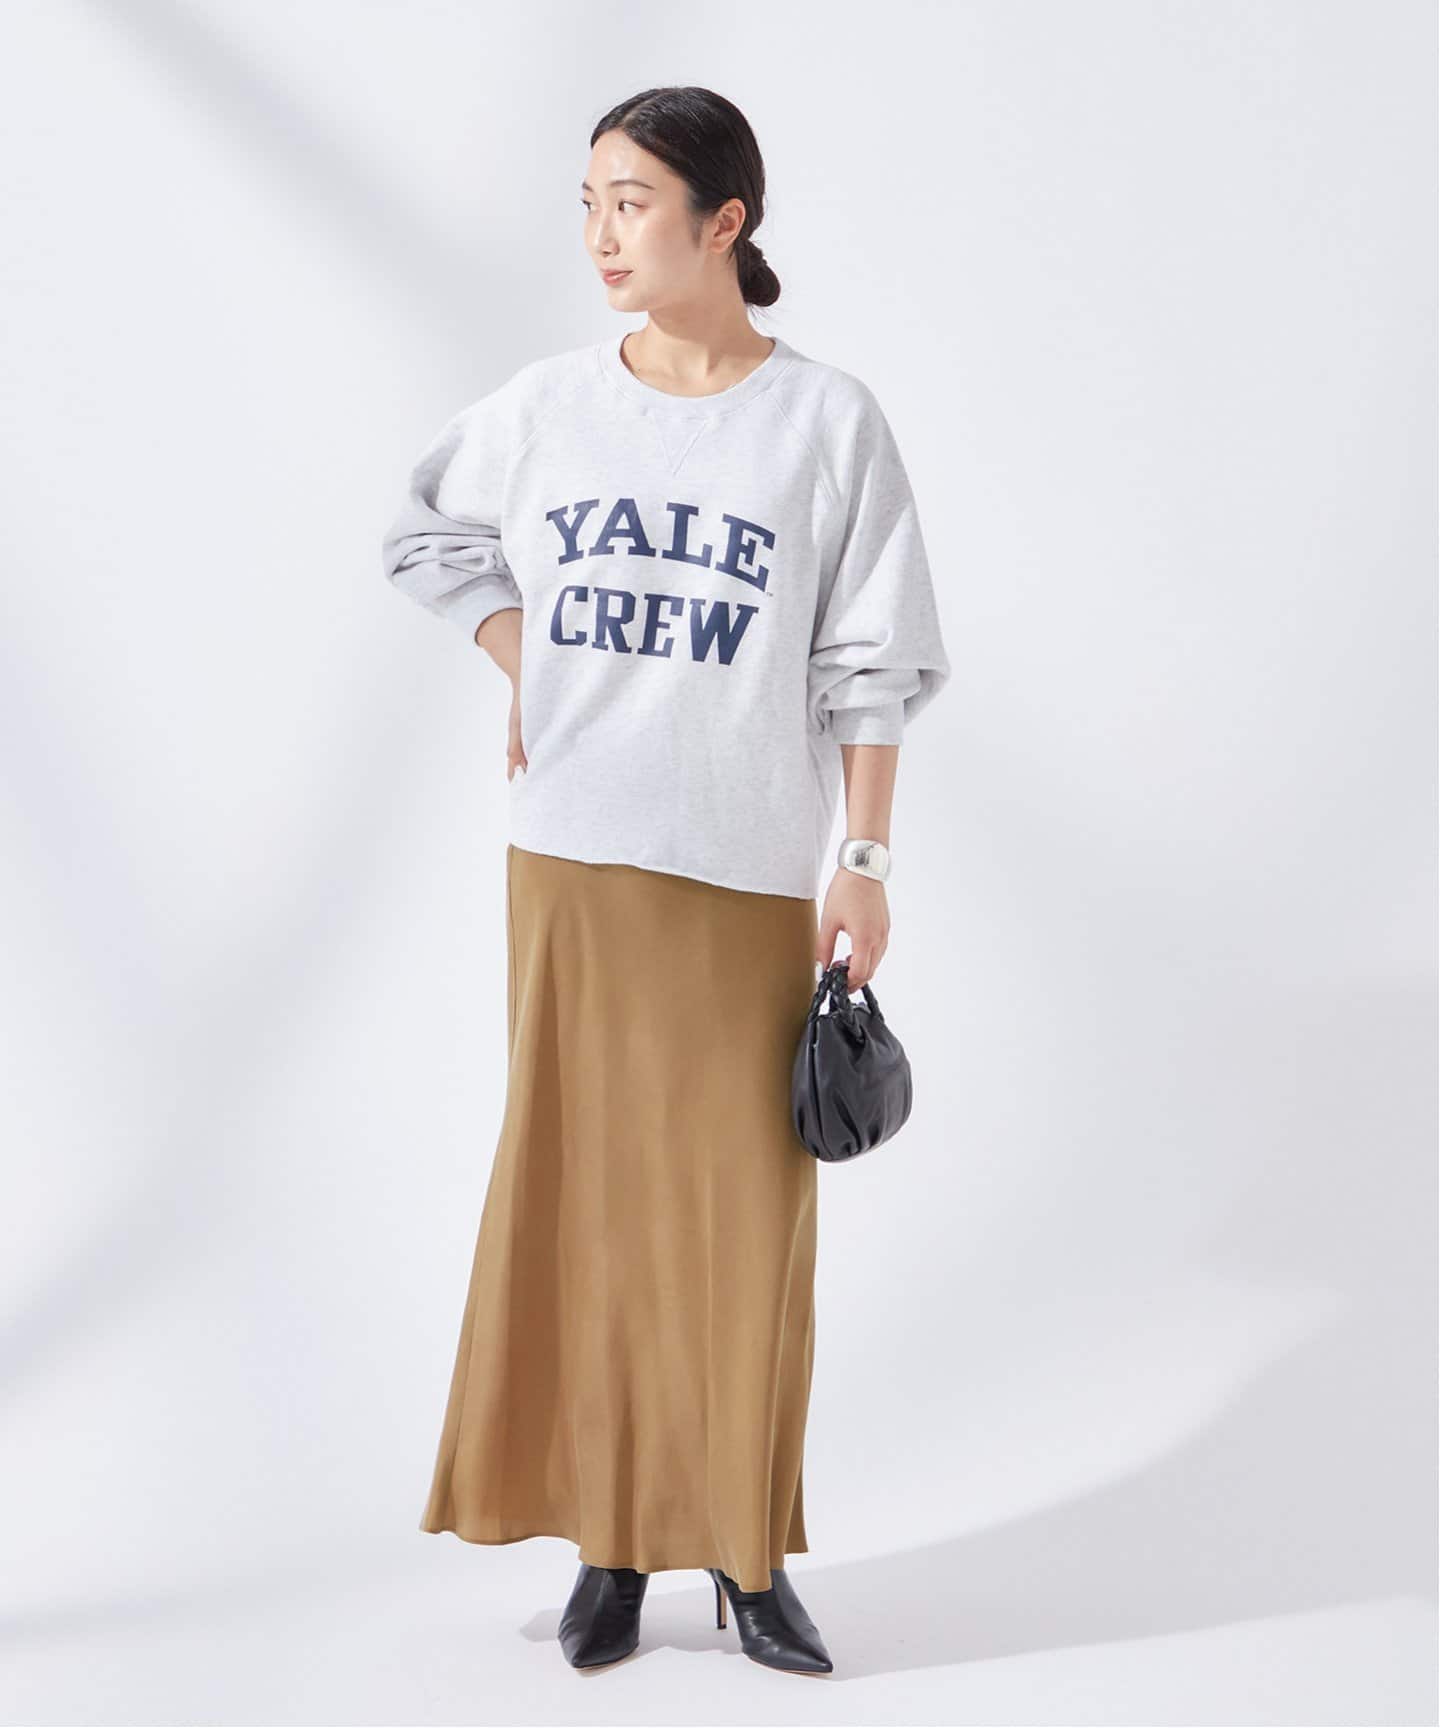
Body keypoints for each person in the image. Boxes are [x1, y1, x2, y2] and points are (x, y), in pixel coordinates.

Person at [379, 85, 951, 1677]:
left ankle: (747, 1556)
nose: (601, 235)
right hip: (573, 859)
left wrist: (864, 860)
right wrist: (528, 660)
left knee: (744, 1220)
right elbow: (424, 534)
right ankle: (615, 1549)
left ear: (725, 221)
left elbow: (869, 662)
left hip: (742, 867)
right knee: (591, 1209)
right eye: (589, 202)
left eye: (631, 202)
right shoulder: (549, 407)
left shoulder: (825, 422)